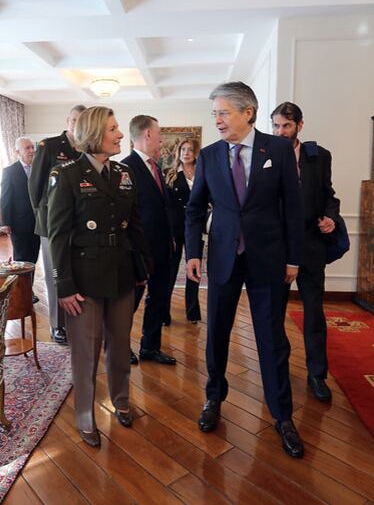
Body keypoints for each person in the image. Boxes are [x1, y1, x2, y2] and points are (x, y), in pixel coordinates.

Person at [185, 81, 305, 458]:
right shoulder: (208, 155)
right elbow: (194, 209)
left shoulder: (278, 149)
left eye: (223, 112)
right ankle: (213, 399)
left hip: (268, 258)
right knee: (216, 333)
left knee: (271, 338)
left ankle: (282, 415)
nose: (217, 120)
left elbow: (294, 207)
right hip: (223, 257)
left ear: (247, 113)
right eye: (215, 114)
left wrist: (294, 258)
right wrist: (193, 253)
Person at [47, 106, 148, 447]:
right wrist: (63, 286)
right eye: (113, 129)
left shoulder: (123, 173)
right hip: (83, 281)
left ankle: (121, 401)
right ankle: (85, 416)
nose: (120, 135)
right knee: (86, 352)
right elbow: (58, 236)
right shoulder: (66, 174)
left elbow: (134, 226)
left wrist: (142, 269)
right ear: (93, 134)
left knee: (119, 345)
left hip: (121, 275)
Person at [271, 101, 341, 403]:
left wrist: (330, 218)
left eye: (286, 126)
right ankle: (278, 370)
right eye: (276, 126)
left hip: (311, 245)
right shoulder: (266, 155)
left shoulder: (319, 156)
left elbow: (329, 196)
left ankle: (317, 375)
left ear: (299, 125)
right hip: (278, 247)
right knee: (274, 313)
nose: (280, 132)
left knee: (314, 313)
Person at [28, 105, 86, 344]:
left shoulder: (87, 147)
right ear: (67, 121)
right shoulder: (49, 146)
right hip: (52, 223)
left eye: (82, 121)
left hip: (78, 222)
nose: (77, 124)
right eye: (74, 120)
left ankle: (76, 319)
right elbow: (35, 186)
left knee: (75, 272)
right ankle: (57, 324)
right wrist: (45, 215)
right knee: (55, 274)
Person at [122, 115, 177, 366]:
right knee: (130, 303)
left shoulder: (155, 166)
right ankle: (120, 346)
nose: (161, 139)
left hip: (163, 248)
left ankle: (150, 347)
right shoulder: (126, 168)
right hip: (140, 251)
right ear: (147, 134)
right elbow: (125, 215)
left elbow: (162, 208)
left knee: (159, 299)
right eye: (159, 133)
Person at [165, 138, 202, 325]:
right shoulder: (169, 174)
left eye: (190, 150)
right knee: (170, 271)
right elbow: (165, 205)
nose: (186, 153)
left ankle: (193, 312)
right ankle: (163, 313)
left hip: (195, 228)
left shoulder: (202, 173)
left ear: (196, 153)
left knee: (193, 269)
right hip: (175, 228)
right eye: (183, 149)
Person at [0, 137, 40, 303]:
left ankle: (28, 290)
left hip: (37, 224)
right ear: (18, 152)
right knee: (22, 259)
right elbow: (5, 198)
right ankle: (21, 294)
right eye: (27, 148)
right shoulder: (10, 171)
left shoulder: (38, 169)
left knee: (33, 259)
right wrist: (5, 222)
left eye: (32, 147)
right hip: (19, 224)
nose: (31, 151)